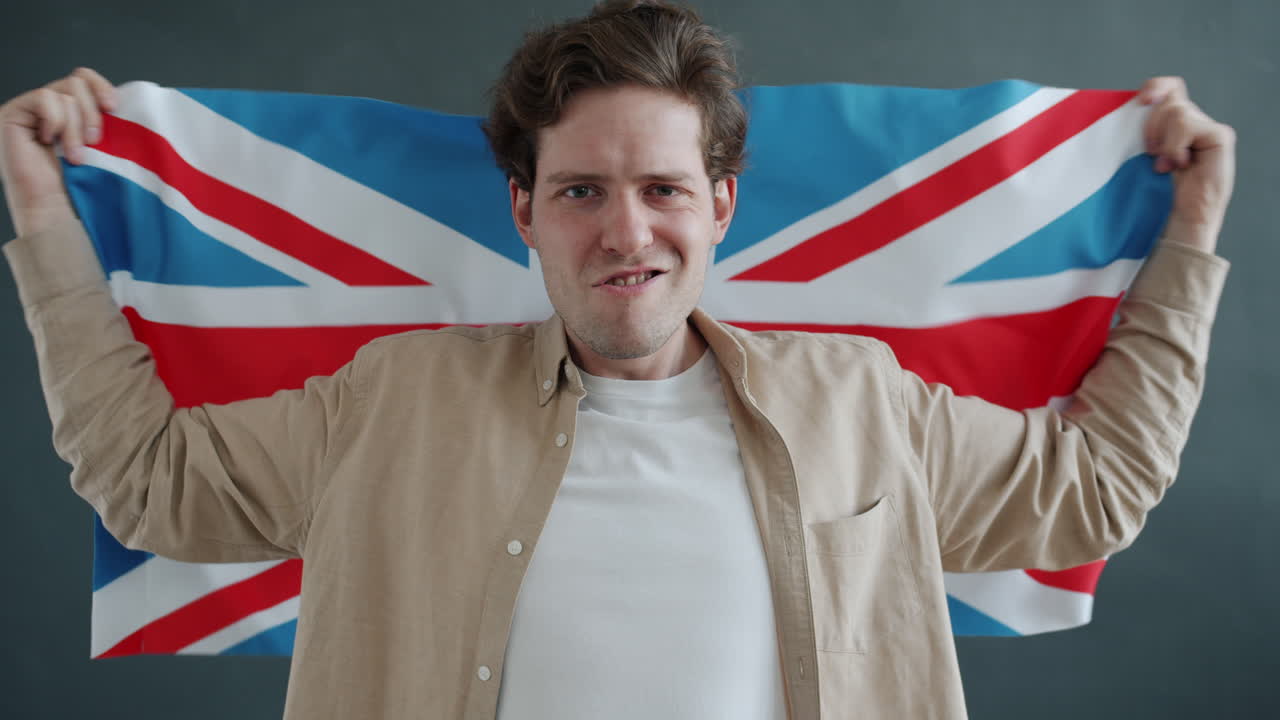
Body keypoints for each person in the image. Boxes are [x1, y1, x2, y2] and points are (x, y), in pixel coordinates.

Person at [0, 1, 1234, 718]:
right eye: (581, 190)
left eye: (661, 188)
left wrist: (1187, 228)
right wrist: (47, 218)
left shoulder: (860, 402)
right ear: (524, 212)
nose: (625, 231)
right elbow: (148, 479)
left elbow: (1093, 488)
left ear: (721, 204)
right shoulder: (392, 400)